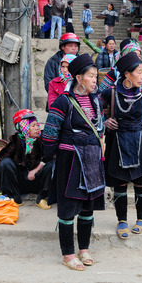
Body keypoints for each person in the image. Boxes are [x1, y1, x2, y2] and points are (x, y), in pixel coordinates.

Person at [43, 54, 106, 271]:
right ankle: (68, 254)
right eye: (91, 76)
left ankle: (84, 249)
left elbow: (100, 127)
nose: (94, 80)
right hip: (70, 161)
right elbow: (50, 133)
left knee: (88, 206)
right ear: (79, 78)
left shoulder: (96, 100)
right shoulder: (63, 101)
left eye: (95, 76)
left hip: (91, 160)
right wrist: (50, 156)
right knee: (69, 208)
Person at [100, 52, 142, 239]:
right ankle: (121, 220)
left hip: (139, 141)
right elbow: (94, 109)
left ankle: (141, 219)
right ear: (127, 74)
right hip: (117, 141)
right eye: (138, 72)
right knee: (119, 184)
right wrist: (104, 121)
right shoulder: (110, 93)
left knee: (140, 183)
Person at [0, 109, 53, 209]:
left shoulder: (42, 139)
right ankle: (15, 197)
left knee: (51, 163)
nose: (37, 128)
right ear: (24, 128)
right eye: (33, 126)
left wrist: (35, 170)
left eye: (37, 125)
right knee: (5, 162)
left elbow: (49, 155)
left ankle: (42, 197)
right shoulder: (15, 141)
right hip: (20, 182)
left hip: (37, 180)